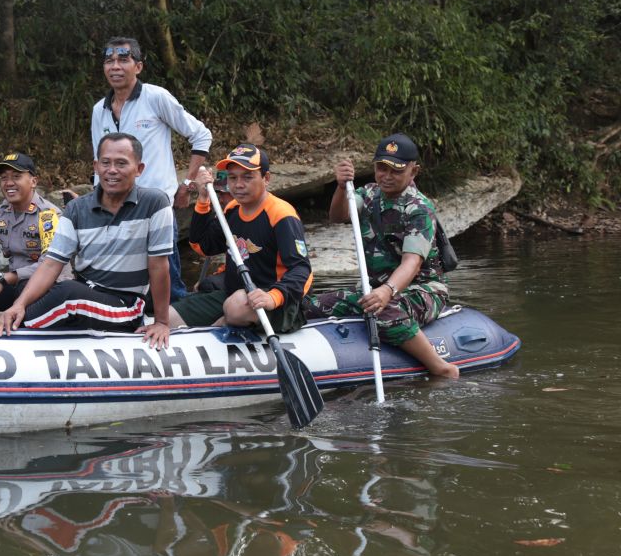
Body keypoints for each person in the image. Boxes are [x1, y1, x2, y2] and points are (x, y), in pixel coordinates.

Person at [0, 132, 175, 349]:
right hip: (85, 291)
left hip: (124, 305)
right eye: (106, 163)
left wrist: (162, 322)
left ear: (139, 169)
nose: (112, 170)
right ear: (96, 166)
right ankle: (10, 317)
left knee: (68, 294)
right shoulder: (77, 208)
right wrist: (20, 303)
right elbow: (51, 264)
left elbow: (158, 266)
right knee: (22, 289)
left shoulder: (155, 203)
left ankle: (7, 334)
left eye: (121, 163)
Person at [304, 133, 460, 378]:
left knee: (384, 311)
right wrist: (340, 186)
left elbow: (412, 262)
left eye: (396, 171)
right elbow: (338, 216)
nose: (387, 176)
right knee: (310, 306)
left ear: (413, 171)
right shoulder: (368, 194)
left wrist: (387, 291)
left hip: (422, 289)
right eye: (381, 168)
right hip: (372, 289)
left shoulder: (419, 209)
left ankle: (441, 367)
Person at [90, 37, 212, 301]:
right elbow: (99, 161)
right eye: (109, 61)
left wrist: (187, 185)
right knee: (121, 281)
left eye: (124, 59)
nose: (115, 66)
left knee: (169, 283)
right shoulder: (99, 109)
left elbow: (201, 135)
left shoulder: (155, 97)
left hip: (156, 206)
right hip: (115, 210)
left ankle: (178, 329)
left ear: (138, 66)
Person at [168, 144, 312, 333]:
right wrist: (203, 200)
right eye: (233, 178)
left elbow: (302, 270)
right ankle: (223, 321)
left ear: (266, 178)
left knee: (235, 307)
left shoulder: (281, 215)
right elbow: (202, 246)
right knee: (169, 316)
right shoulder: (232, 209)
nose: (238, 185)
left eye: (247, 177)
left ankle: (225, 321)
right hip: (232, 293)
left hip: (276, 301)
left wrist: (273, 297)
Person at [0, 152, 70, 324]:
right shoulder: (1, 213)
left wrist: (4, 278)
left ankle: (12, 322)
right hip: (13, 285)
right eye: (4, 178)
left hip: (48, 287)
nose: (9, 183)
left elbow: (49, 266)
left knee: (31, 306)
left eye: (16, 176)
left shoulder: (48, 215)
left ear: (33, 181)